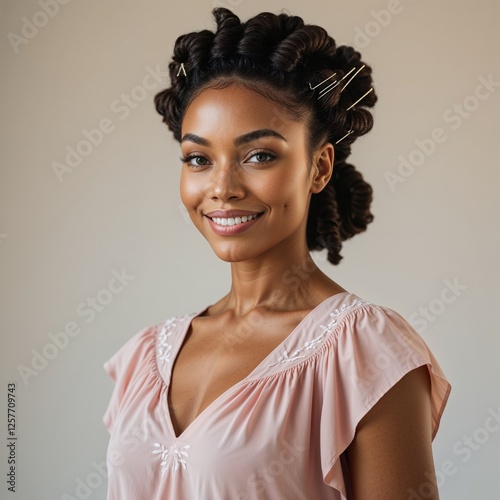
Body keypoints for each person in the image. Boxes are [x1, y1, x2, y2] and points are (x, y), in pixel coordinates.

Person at [102, 7, 452, 499]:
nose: (222, 188)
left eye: (259, 155)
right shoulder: (146, 356)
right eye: (199, 159)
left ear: (319, 167)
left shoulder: (364, 354)